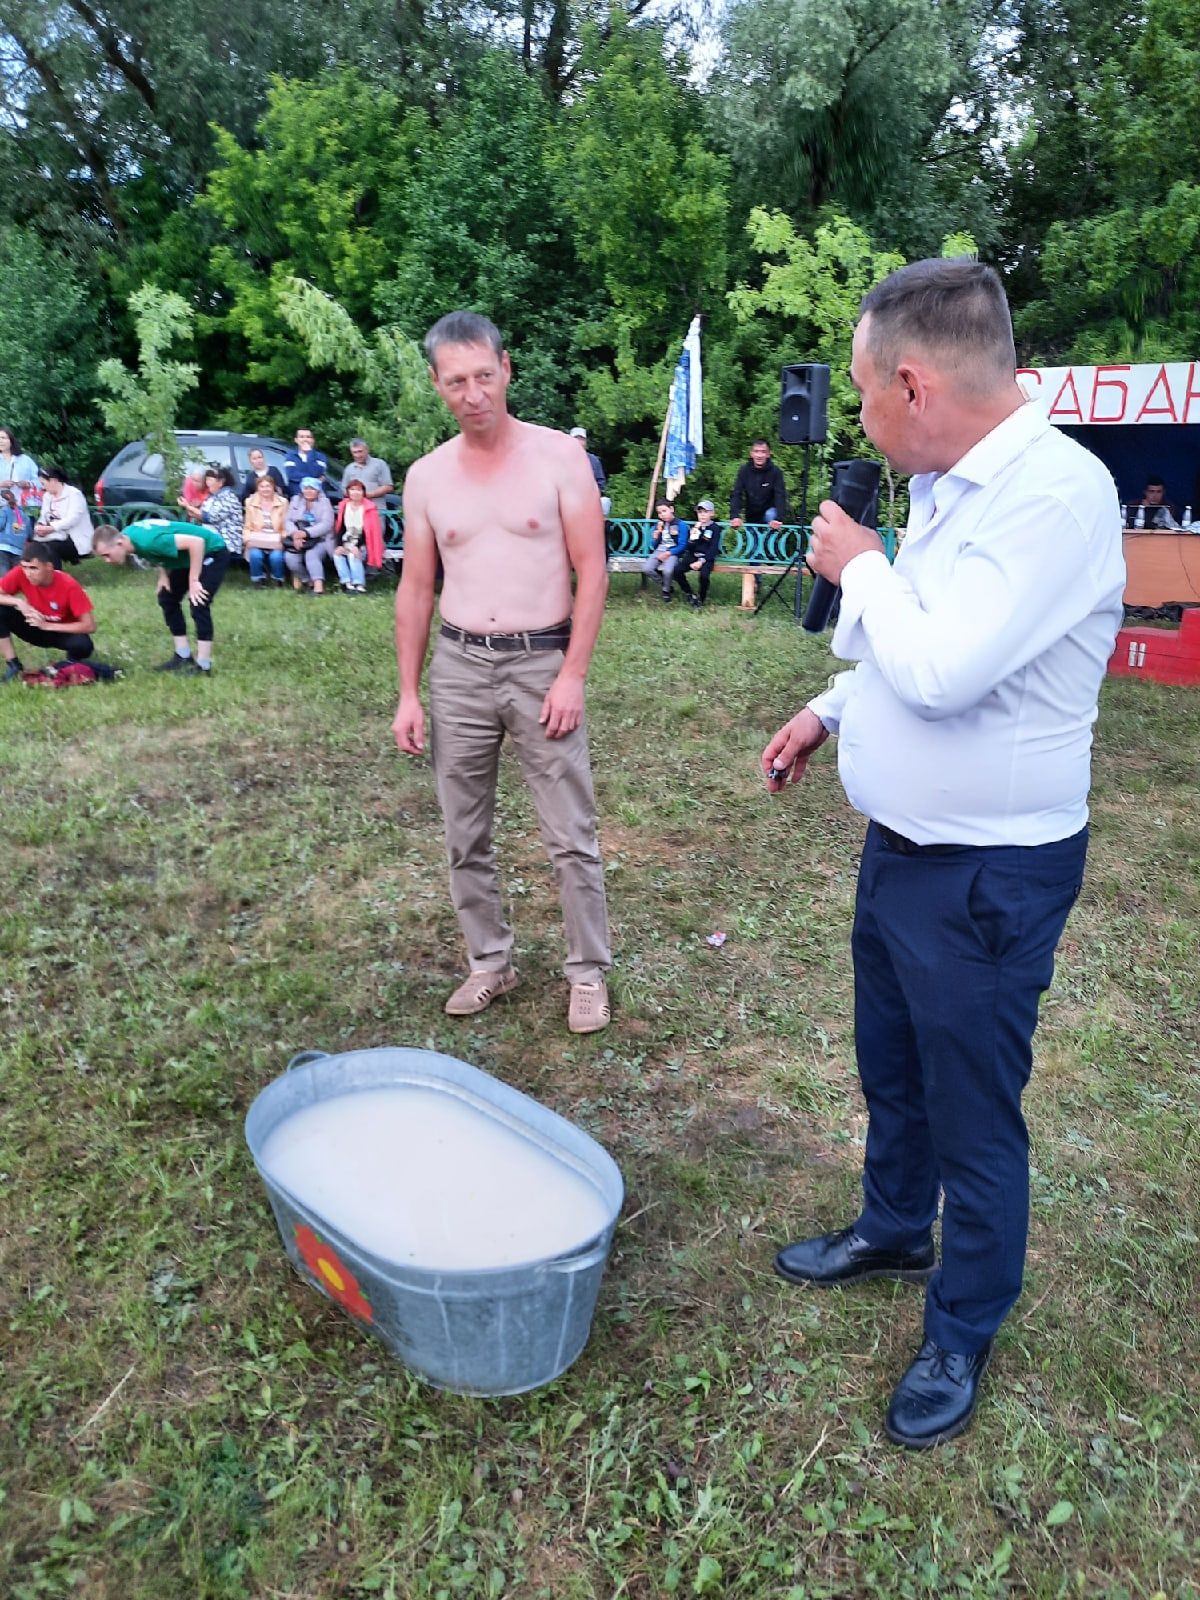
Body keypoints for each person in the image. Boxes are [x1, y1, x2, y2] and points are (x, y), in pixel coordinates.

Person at [762, 258, 1125, 1450]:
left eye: (865, 393)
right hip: (904, 851)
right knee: (895, 1065)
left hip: (987, 873)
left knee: (975, 1110)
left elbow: (945, 666)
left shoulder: (1055, 495)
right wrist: (829, 710)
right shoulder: (952, 486)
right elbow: (900, 663)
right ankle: (891, 1226)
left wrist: (855, 560)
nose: (861, 415)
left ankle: (962, 1322)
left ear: (913, 383)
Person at [392, 310, 611, 1034]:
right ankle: (490, 960)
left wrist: (572, 674)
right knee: (465, 831)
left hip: (541, 660)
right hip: (458, 667)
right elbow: (417, 588)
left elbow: (591, 568)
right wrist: (407, 693)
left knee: (568, 830)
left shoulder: (557, 458)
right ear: (437, 384)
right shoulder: (426, 477)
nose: (473, 392)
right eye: (456, 381)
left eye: (484, 375)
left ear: (506, 368)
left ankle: (586, 972)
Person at [93, 517, 231, 673]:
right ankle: (183, 656)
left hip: (211, 551)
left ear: (119, 544)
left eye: (107, 555)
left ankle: (203, 665)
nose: (106, 560)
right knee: (167, 597)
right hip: (186, 558)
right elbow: (157, 552)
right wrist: (164, 574)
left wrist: (194, 581)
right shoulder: (128, 538)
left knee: (198, 601)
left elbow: (197, 543)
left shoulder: (147, 541)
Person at [0, 540, 96, 680]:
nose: (28, 573)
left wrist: (47, 625)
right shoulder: (20, 574)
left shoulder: (69, 584)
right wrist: (18, 602)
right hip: (33, 627)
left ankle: (70, 662)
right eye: (25, 567)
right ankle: (13, 664)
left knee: (84, 645)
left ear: (49, 567)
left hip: (60, 631)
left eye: (34, 568)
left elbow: (90, 625)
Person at [284, 477, 335, 593]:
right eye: (306, 488)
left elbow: (326, 524)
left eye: (312, 488)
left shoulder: (325, 502)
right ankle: (307, 580)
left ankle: (318, 587)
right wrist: (295, 534)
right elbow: (288, 520)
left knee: (311, 555)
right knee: (290, 558)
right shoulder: (296, 500)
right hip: (297, 537)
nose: (308, 491)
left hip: (320, 539)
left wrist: (306, 533)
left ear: (318, 490)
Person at [34, 466, 94, 565]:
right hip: (54, 536)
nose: (43, 487)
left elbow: (73, 519)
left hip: (75, 539)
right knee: (35, 547)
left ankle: (56, 576)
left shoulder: (74, 494)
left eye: (43, 484)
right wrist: (40, 527)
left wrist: (52, 528)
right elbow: (43, 516)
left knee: (49, 548)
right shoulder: (47, 496)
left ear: (53, 480)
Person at [332, 479, 383, 592]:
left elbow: (369, 533)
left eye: (358, 490)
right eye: (352, 489)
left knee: (353, 555)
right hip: (347, 541)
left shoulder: (369, 509)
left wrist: (357, 546)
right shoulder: (344, 506)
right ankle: (347, 583)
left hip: (364, 543)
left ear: (363, 492)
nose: (355, 492)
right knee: (337, 554)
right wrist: (340, 545)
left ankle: (359, 585)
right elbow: (340, 528)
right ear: (348, 492)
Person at [729, 440, 788, 531]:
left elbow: (780, 496)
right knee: (754, 544)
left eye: (763, 452)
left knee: (770, 515)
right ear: (751, 454)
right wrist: (735, 516)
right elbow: (737, 494)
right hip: (751, 516)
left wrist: (778, 519)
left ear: (768, 454)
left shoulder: (775, 472)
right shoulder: (744, 471)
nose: (759, 455)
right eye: (756, 451)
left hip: (770, 516)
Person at [674, 499, 722, 607]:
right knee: (677, 570)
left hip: (706, 557)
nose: (702, 515)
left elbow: (713, 548)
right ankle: (689, 593)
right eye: (700, 512)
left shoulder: (715, 528)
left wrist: (701, 561)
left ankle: (701, 598)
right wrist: (692, 537)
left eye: (705, 512)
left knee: (704, 576)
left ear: (712, 513)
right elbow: (690, 547)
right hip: (693, 555)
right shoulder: (695, 527)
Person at [188, 464, 243, 556]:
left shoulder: (228, 497)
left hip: (226, 540)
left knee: (191, 539)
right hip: (212, 535)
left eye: (210, 480)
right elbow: (203, 517)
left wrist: (189, 507)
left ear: (220, 482)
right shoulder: (213, 497)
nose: (207, 483)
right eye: (206, 479)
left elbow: (211, 517)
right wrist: (194, 514)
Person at [242, 475, 288, 585]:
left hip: (276, 539)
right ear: (258, 488)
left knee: (276, 557)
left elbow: (286, 526)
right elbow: (247, 526)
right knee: (255, 555)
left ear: (273, 487)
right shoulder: (250, 502)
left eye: (268, 486)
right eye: (262, 486)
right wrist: (248, 541)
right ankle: (258, 579)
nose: (265, 489)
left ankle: (278, 579)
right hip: (257, 539)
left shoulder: (283, 502)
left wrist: (282, 540)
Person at [640, 500, 689, 600]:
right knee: (647, 569)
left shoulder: (680, 525)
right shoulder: (659, 525)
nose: (662, 514)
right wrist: (655, 537)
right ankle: (665, 584)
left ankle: (666, 591)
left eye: (664, 511)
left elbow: (683, 545)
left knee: (668, 571)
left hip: (673, 550)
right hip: (660, 549)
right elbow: (653, 546)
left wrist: (669, 553)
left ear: (671, 509)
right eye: (659, 512)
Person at [569, 427, 611, 517]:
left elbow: (601, 483)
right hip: (568, 499)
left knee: (605, 502)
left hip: (589, 499)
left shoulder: (593, 460)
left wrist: (591, 495)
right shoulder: (563, 459)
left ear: (585, 442)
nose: (578, 441)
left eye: (581, 439)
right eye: (575, 438)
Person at [0, 427, 40, 513]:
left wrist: (28, 484)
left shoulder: (25, 460)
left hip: (26, 506)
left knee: (24, 526)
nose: (0, 441)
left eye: (3, 438)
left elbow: (41, 482)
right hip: (2, 507)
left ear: (11, 440)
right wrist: (1, 484)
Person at [341, 438, 394, 502]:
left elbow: (388, 487)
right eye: (355, 452)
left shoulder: (379, 464)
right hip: (356, 509)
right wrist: (354, 495)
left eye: (360, 451)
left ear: (367, 450)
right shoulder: (349, 468)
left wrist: (369, 495)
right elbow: (344, 490)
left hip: (376, 508)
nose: (358, 455)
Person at [283, 428, 330, 498]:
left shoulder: (320, 457)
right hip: (297, 497)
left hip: (317, 499)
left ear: (313, 440)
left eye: (308, 437)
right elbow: (292, 475)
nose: (305, 439)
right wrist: (315, 479)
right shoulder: (290, 456)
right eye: (301, 437)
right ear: (296, 440)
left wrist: (310, 453)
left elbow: (316, 473)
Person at [0, 489, 30, 574]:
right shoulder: (24, 515)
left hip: (3, 548)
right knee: (15, 576)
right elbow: (29, 533)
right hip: (19, 550)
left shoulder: (4, 511)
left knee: (3, 576)